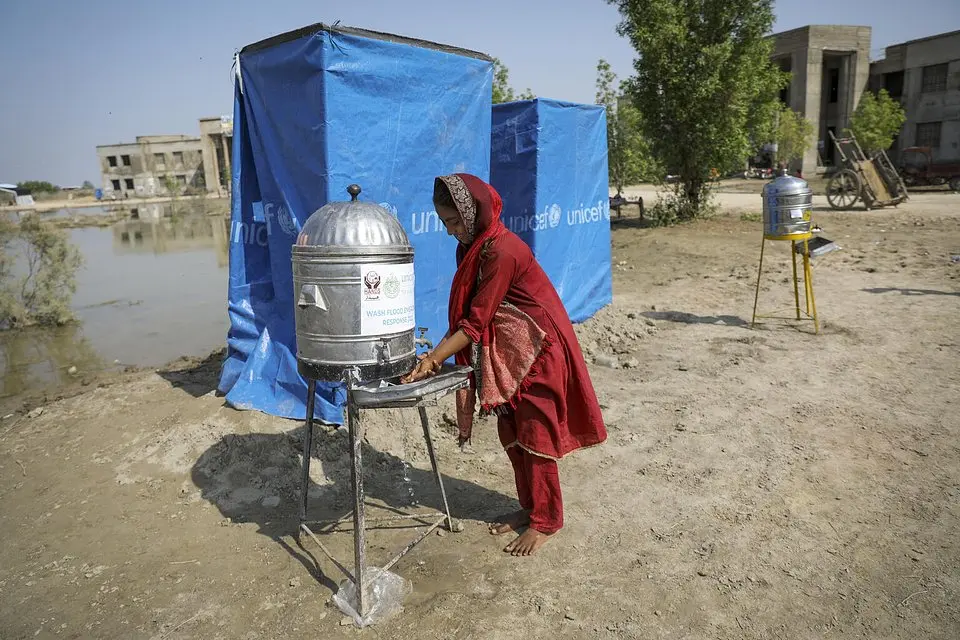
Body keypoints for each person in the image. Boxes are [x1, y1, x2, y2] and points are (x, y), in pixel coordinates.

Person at [402, 173, 607, 556]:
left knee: (536, 435)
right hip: (509, 354)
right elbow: (471, 317)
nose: (449, 232)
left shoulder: (500, 251)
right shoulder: (472, 246)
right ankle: (530, 507)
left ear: (471, 212)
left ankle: (547, 521)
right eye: (444, 223)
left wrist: (433, 358)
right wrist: (432, 358)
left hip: (538, 350)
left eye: (452, 222)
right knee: (511, 433)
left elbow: (475, 322)